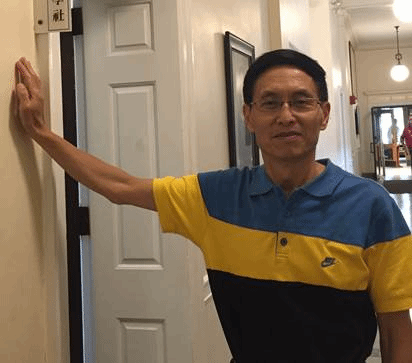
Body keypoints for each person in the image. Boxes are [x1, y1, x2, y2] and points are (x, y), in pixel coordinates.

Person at [13, 49, 412, 363]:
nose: (286, 116)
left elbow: (396, 327)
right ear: (249, 117)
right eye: (270, 103)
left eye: (301, 102)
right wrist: (41, 132)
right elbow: (121, 187)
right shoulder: (215, 196)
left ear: (323, 115)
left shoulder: (371, 205)